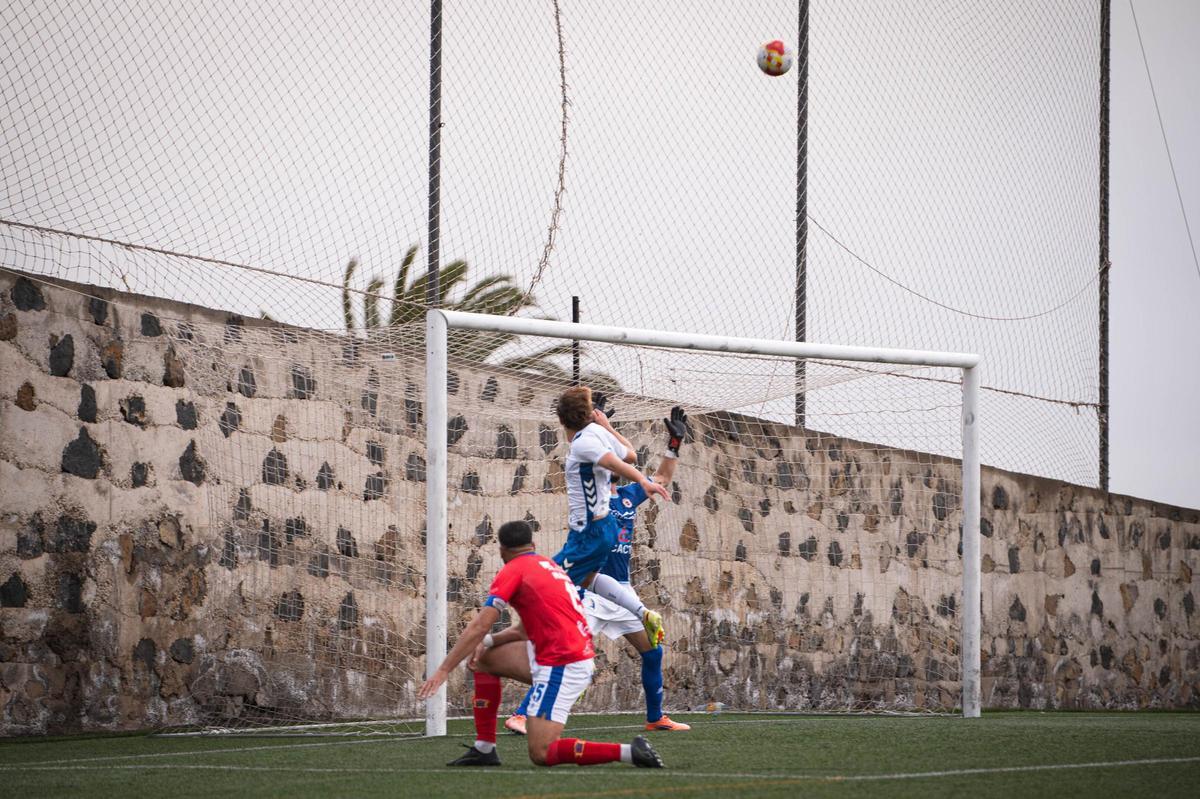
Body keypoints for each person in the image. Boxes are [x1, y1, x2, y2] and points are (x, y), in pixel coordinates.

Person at [417, 519, 665, 768]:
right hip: (557, 654)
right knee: (484, 659)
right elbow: (524, 629)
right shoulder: (548, 564)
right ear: (533, 545)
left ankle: (629, 752)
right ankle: (484, 749)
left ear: (502, 550)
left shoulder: (512, 570)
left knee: (542, 752)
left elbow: (479, 625)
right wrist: (490, 641)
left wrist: (443, 670)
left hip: (564, 664)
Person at [507, 404, 692, 735]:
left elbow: (660, 477)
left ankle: (655, 717)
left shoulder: (627, 497)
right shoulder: (589, 493)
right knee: (567, 654)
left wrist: (674, 444)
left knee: (653, 651)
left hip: (620, 590)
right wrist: (602, 425)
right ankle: (522, 714)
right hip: (588, 591)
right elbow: (608, 454)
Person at [551, 386, 671, 650]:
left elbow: (615, 462)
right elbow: (630, 454)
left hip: (588, 531)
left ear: (561, 420)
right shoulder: (596, 433)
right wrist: (606, 426)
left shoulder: (584, 442)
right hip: (604, 527)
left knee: (548, 581)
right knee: (587, 578)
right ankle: (643, 613)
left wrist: (641, 480)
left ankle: (570, 670)